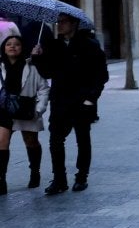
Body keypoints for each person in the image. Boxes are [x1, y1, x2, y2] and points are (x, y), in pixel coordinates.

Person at [32, 12, 108, 195]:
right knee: (55, 140)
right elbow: (48, 73)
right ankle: (59, 179)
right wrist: (37, 58)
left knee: (83, 139)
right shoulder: (54, 45)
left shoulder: (89, 45)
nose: (59, 25)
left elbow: (101, 75)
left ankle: (82, 176)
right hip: (60, 101)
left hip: (82, 102)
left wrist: (91, 98)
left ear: (74, 23)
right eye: (58, 22)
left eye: (63, 22)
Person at [0, 34, 49, 192]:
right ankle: (1, 179)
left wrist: (39, 109)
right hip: (3, 111)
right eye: (8, 44)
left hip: (26, 110)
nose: (12, 46)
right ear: (4, 48)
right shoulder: (0, 66)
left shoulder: (32, 67)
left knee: (31, 142)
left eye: (17, 44)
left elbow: (43, 89)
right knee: (1, 142)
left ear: (22, 48)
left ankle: (35, 172)